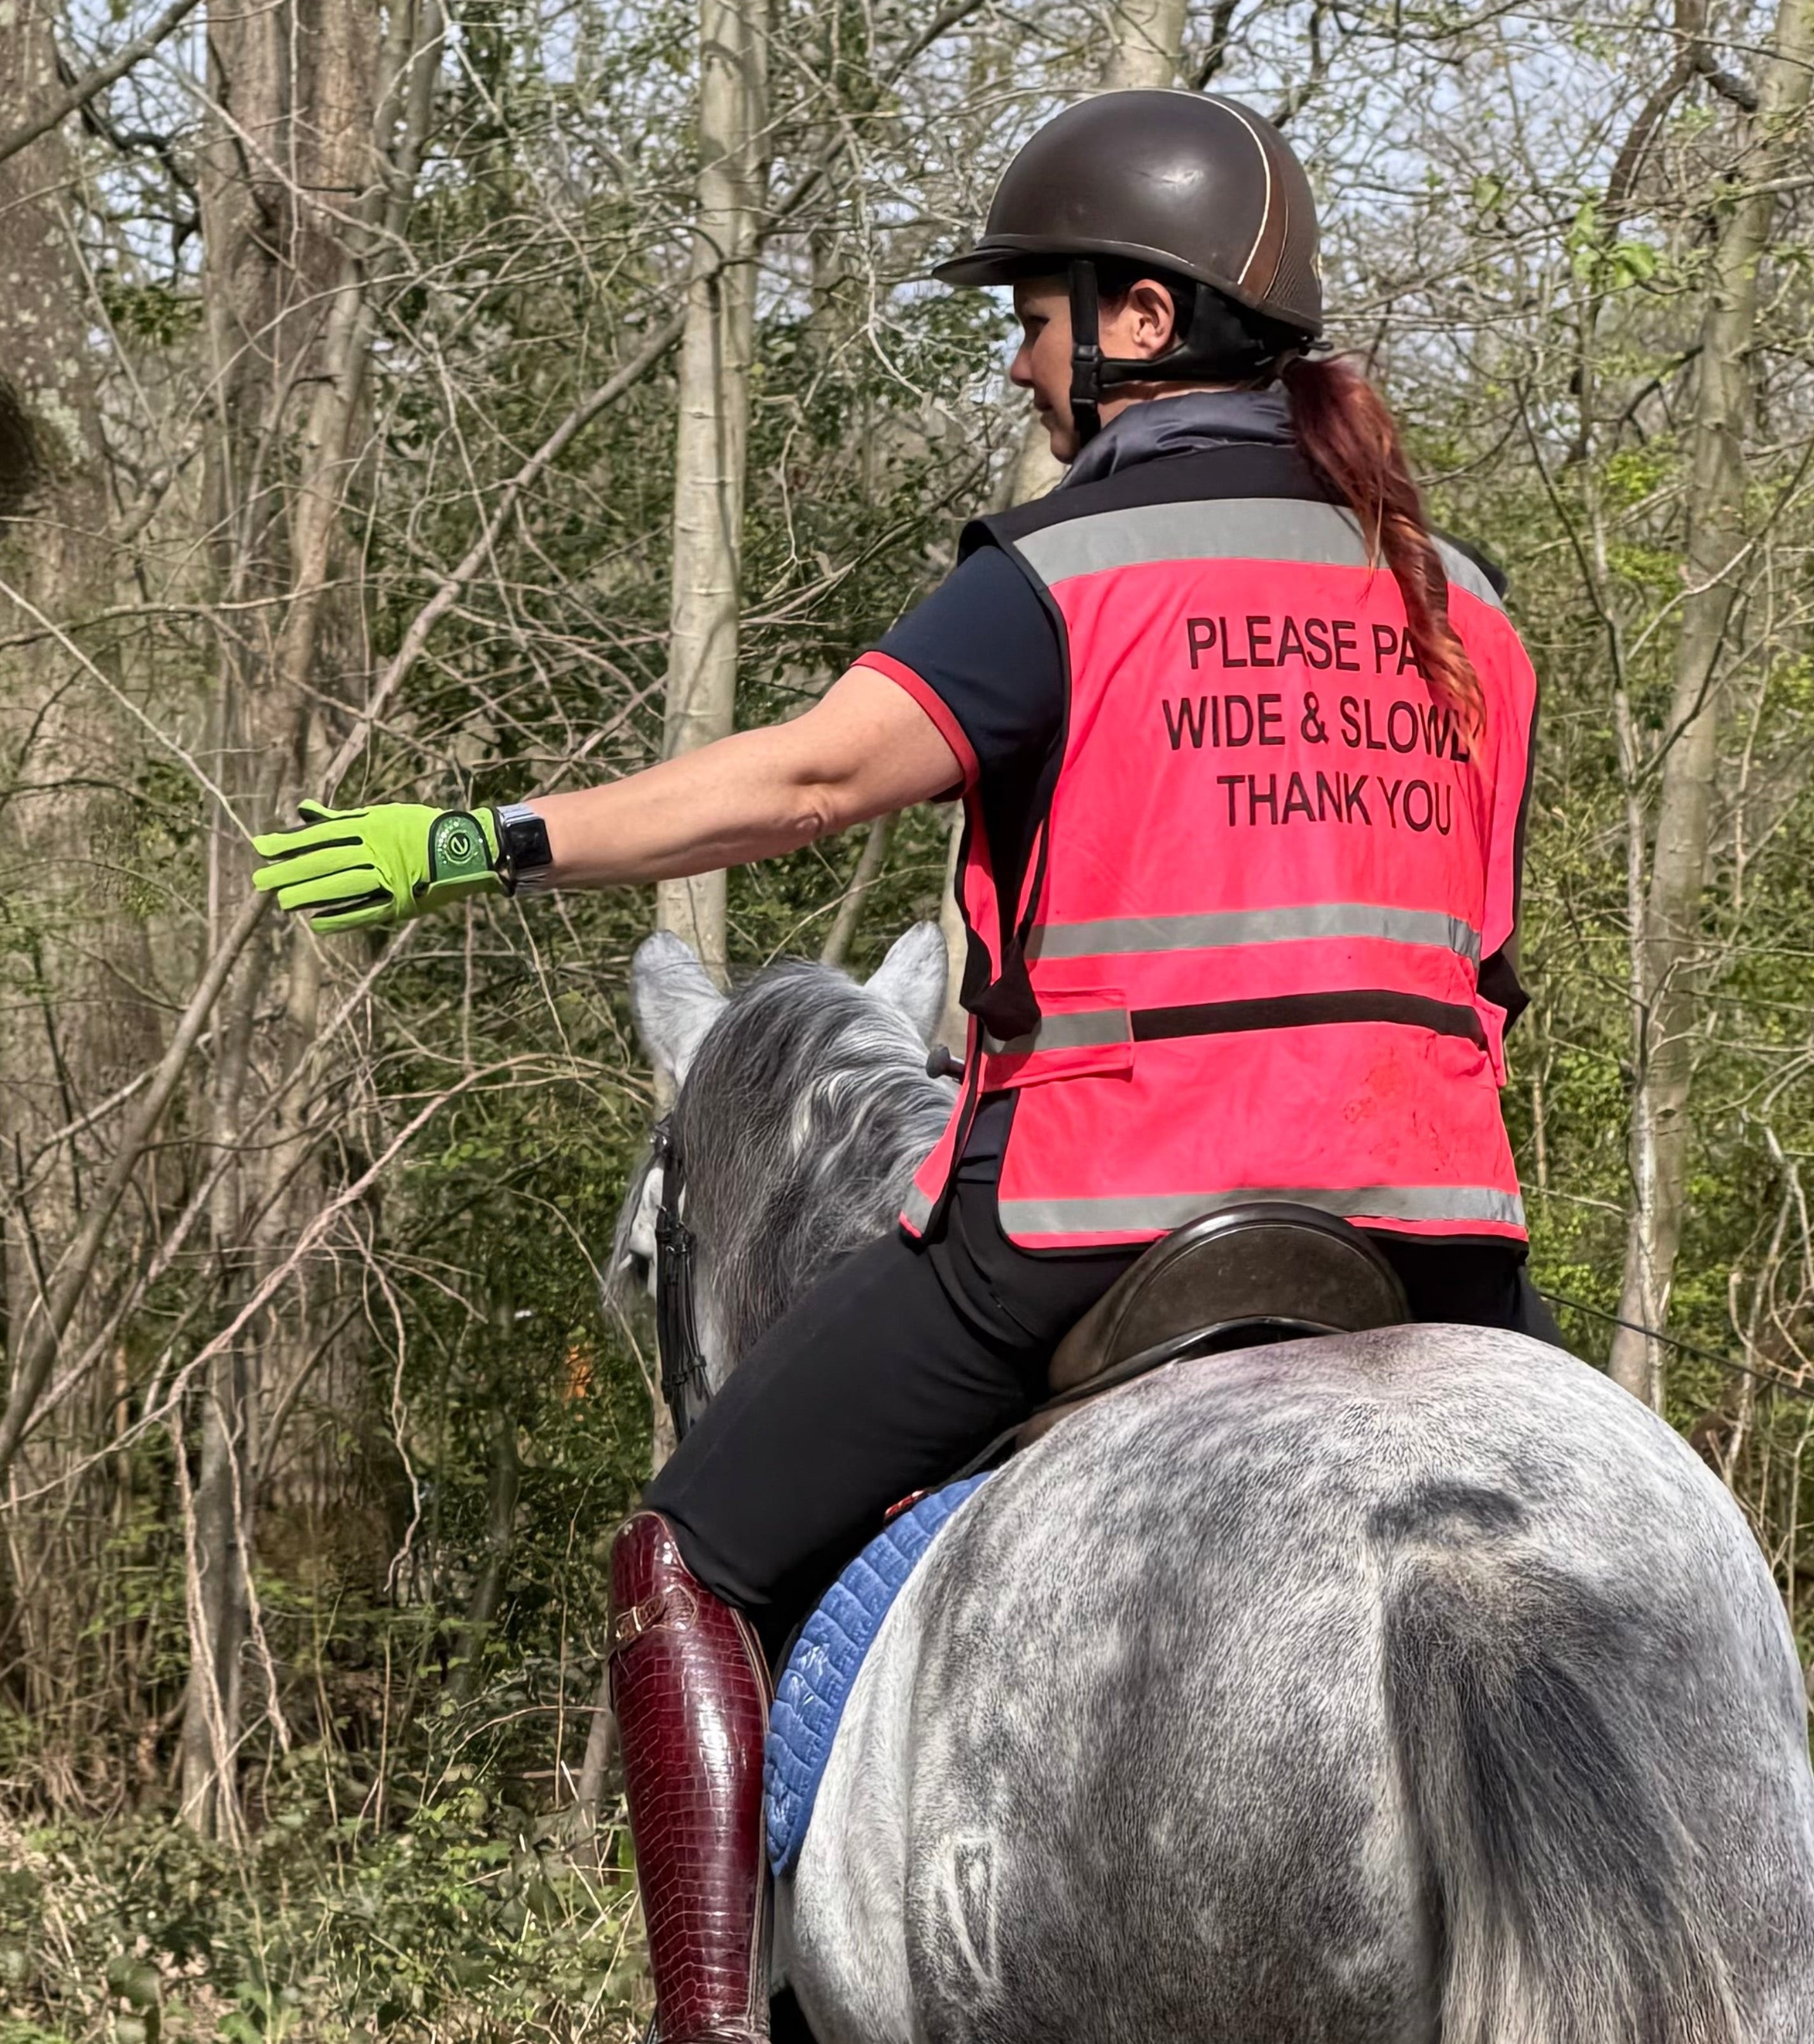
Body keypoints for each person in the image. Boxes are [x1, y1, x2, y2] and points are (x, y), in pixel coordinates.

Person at [253, 90, 1554, 2044]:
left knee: (682, 1555)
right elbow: (1484, 945)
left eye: (1034, 318)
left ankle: (709, 2018)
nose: (1021, 362)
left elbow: (803, 781)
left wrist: (485, 837)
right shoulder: (1473, 609)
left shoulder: (1066, 572)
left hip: (1105, 1207)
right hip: (1442, 1228)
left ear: (1139, 321)